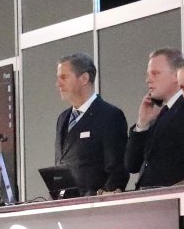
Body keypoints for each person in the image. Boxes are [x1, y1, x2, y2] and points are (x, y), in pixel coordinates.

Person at [127, 47, 184, 189]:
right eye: (148, 74)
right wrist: (142, 123)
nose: (148, 80)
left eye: (155, 73)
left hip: (183, 197)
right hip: (153, 197)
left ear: (177, 75)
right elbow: (132, 164)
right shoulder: (160, 113)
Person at [54, 52, 128, 194]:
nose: (58, 84)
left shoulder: (109, 115)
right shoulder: (62, 119)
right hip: (65, 203)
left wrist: (105, 194)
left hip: (95, 203)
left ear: (84, 78)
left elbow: (117, 168)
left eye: (64, 77)